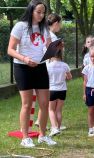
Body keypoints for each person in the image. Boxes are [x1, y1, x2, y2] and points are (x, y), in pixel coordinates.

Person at [7, 0, 62, 147]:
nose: (41, 15)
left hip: (40, 67)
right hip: (23, 67)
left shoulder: (44, 28)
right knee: (27, 103)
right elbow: (10, 49)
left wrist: (56, 48)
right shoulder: (20, 26)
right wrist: (24, 59)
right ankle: (25, 138)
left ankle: (43, 136)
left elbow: (50, 47)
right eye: (38, 11)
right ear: (31, 11)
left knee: (44, 103)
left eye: (43, 12)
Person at [35, 13, 66, 130]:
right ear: (56, 23)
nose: (61, 26)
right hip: (48, 68)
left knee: (46, 97)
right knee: (47, 98)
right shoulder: (52, 37)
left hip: (46, 67)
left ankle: (43, 120)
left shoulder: (45, 34)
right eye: (61, 24)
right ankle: (51, 124)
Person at [47, 49, 72, 136]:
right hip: (62, 90)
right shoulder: (65, 65)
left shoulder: (49, 66)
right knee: (59, 110)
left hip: (52, 90)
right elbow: (69, 77)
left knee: (51, 109)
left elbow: (46, 79)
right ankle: (58, 128)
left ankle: (53, 128)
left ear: (52, 56)